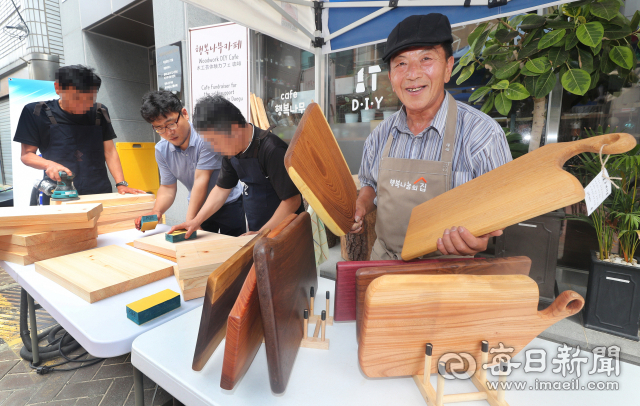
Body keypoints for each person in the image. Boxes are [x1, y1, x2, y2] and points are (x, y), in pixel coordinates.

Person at [351, 13, 512, 260]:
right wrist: (361, 205)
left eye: (426, 59)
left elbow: (502, 208)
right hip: (385, 268)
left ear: (448, 68)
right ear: (392, 78)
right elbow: (370, 185)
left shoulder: (483, 135)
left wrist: (481, 238)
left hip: (447, 278)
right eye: (401, 63)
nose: (413, 73)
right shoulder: (379, 135)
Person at [170, 94, 304, 237]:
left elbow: (292, 201)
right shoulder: (231, 151)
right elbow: (221, 189)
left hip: (287, 231)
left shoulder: (272, 149)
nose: (214, 147)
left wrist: (261, 234)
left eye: (215, 141)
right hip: (260, 229)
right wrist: (196, 221)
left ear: (234, 128)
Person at [14, 64, 144, 205]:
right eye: (76, 99)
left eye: (89, 100)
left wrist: (121, 184)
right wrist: (48, 164)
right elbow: (27, 155)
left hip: (99, 192)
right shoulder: (36, 112)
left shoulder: (99, 111)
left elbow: (110, 151)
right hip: (59, 194)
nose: (83, 105)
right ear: (58, 88)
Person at [135, 91, 245, 236]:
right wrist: (157, 211)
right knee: (200, 252)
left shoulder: (206, 138)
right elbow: (167, 187)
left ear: (184, 114)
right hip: (197, 205)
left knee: (234, 249)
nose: (168, 132)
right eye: (159, 128)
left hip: (228, 203)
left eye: (171, 124)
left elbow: (201, 179)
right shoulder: (162, 150)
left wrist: (190, 220)